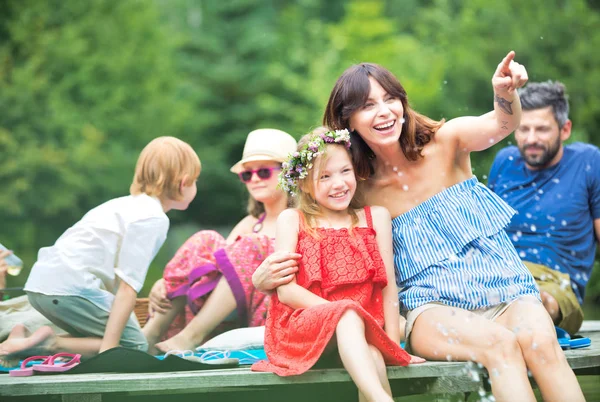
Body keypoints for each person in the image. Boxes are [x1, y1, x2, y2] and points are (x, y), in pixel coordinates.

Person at [253, 51, 585, 401]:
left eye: (390, 99)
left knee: (542, 342)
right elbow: (309, 224)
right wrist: (265, 280)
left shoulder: (447, 141)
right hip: (432, 310)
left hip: (506, 290)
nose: (384, 111)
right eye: (368, 105)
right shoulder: (356, 189)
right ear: (348, 121)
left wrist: (505, 93)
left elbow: (502, 123)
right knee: (499, 344)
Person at [251, 128, 423, 402]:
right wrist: (348, 313)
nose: (339, 183)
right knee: (347, 314)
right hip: (303, 328)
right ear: (306, 184)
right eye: (325, 177)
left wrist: (394, 346)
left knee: (376, 357)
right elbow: (286, 292)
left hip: (363, 332)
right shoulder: (292, 219)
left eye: (345, 171)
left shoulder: (375, 217)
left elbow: (388, 286)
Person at [0, 136, 200, 361]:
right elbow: (127, 289)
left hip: (40, 286)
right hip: (70, 289)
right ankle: (48, 343)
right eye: (195, 180)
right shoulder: (153, 219)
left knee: (106, 337)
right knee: (134, 347)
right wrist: (110, 352)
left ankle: (25, 338)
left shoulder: (122, 205)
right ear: (183, 183)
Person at [142, 129, 297, 354]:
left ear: (288, 174)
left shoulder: (299, 218)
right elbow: (218, 269)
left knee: (251, 245)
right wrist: (168, 281)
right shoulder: (248, 224)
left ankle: (190, 336)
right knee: (207, 239)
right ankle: (150, 334)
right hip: (223, 313)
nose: (253, 179)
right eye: (247, 174)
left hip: (266, 305)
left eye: (263, 172)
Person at [488, 81, 600, 336]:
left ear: (565, 129)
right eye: (523, 129)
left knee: (532, 301)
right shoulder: (505, 162)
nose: (531, 139)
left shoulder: (588, 163)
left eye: (542, 129)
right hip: (498, 275)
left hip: (555, 285)